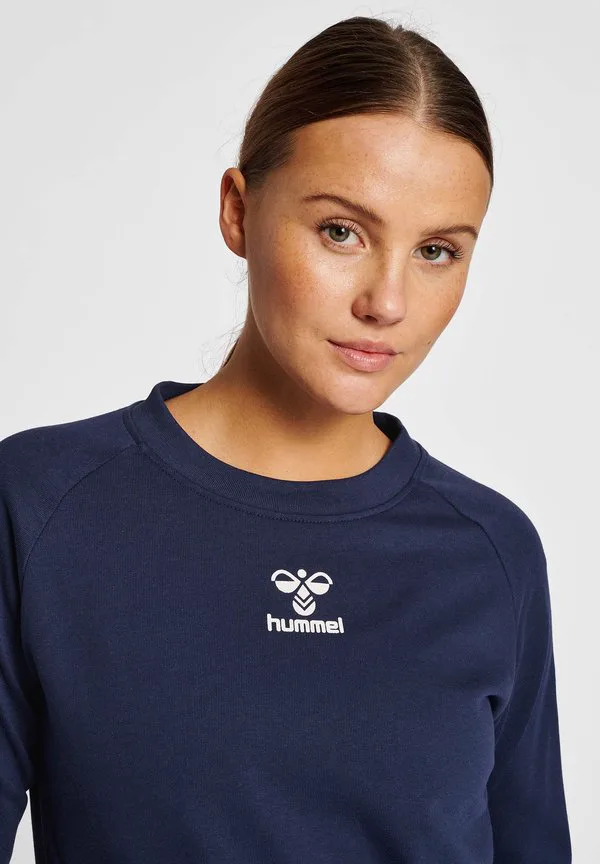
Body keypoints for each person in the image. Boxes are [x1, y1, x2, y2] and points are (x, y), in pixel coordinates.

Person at [0, 14, 571, 864]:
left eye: (437, 251)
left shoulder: (491, 552)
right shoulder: (43, 507)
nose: (387, 302)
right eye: (342, 231)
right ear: (238, 212)